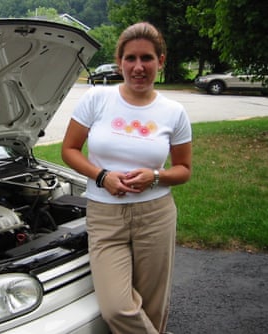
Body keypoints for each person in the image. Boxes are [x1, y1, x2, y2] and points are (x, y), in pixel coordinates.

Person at [61, 22, 192, 334]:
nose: (138, 67)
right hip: (105, 216)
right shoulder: (97, 99)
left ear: (161, 61)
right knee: (117, 307)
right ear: (119, 62)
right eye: (130, 58)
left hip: (156, 215)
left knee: (152, 305)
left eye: (147, 58)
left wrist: (156, 176)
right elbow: (69, 149)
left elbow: (184, 169)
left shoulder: (174, 112)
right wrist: (102, 175)